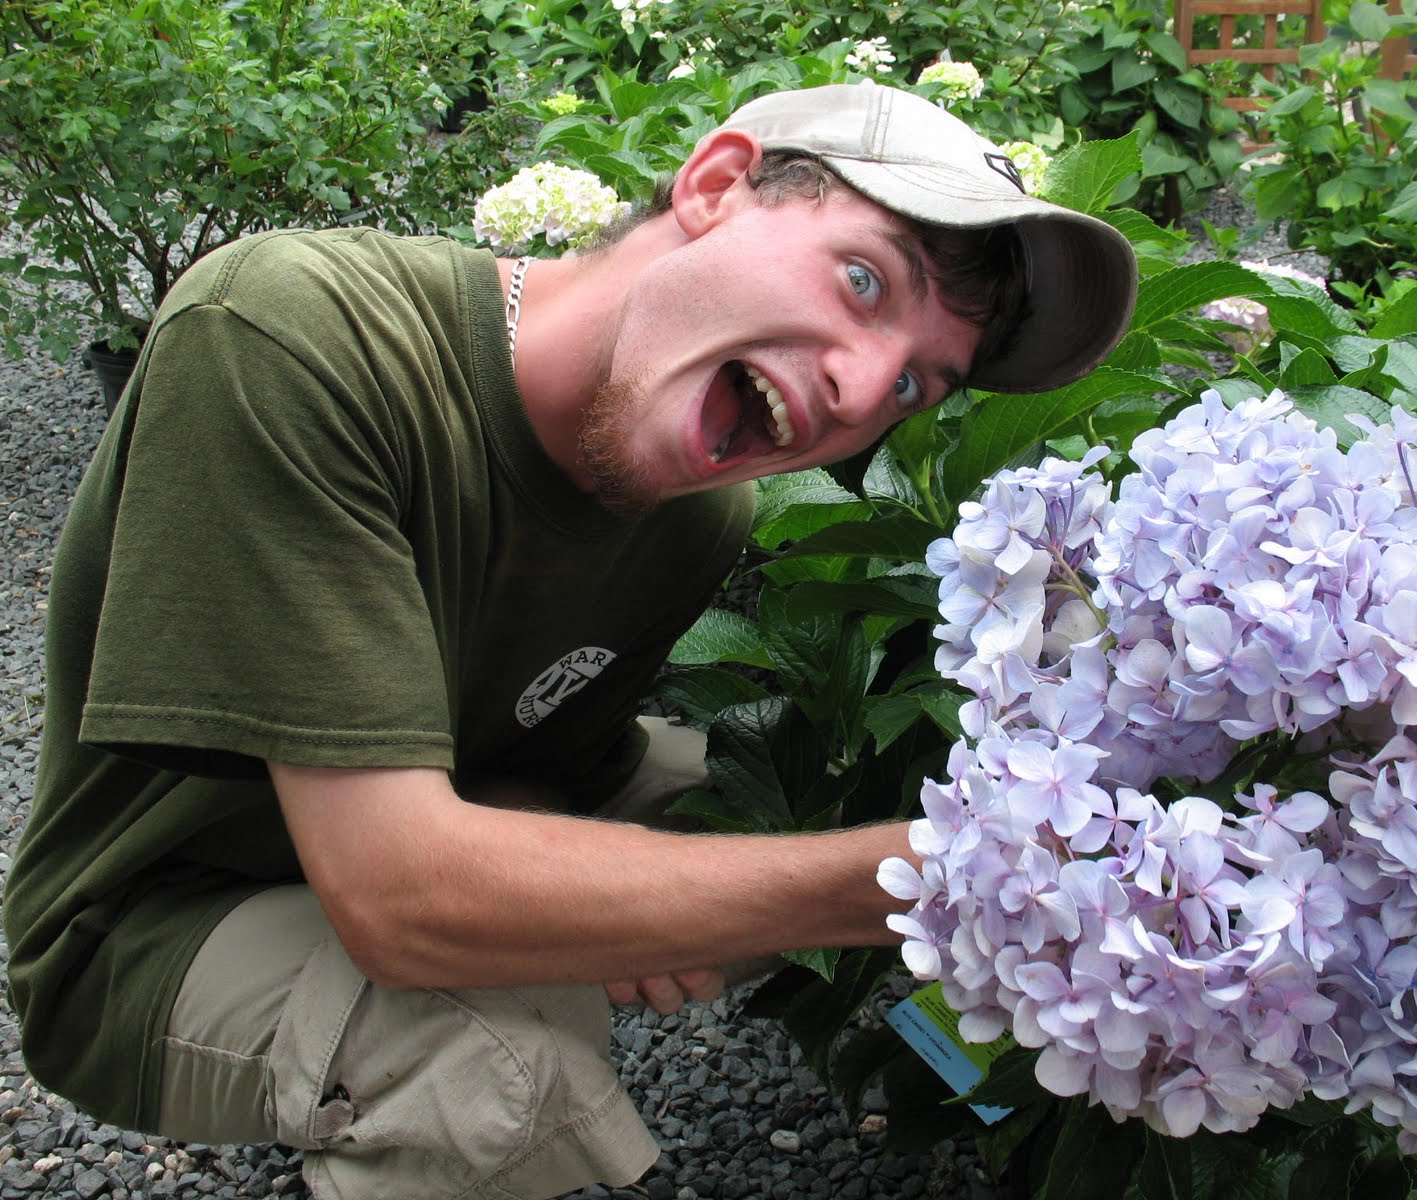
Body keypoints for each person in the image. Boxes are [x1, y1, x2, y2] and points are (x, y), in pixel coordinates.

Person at [3, 81, 1136, 1199]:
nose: (861, 387)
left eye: (915, 384)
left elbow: (536, 773)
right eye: (864, 280)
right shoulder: (288, 331)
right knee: (498, 1072)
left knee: (778, 810)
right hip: (158, 925)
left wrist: (636, 883)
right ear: (715, 185)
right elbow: (401, 901)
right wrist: (935, 875)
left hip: (405, 812)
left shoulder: (695, 514)